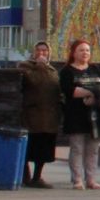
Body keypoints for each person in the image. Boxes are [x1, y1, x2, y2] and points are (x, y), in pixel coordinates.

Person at [58, 39, 100, 190]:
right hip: (75, 115)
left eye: (87, 50)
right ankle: (77, 179)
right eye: (81, 50)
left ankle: (91, 179)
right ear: (73, 53)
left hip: (95, 117)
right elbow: (71, 91)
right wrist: (94, 91)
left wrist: (93, 95)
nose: (85, 53)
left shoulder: (94, 69)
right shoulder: (67, 71)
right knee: (77, 148)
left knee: (93, 149)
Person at [19, 41, 61, 188]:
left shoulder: (53, 70)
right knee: (28, 147)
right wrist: (40, 66)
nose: (42, 54)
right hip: (32, 115)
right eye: (39, 50)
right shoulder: (26, 66)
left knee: (43, 149)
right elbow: (34, 81)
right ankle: (25, 176)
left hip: (49, 117)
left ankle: (37, 177)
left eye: (45, 51)